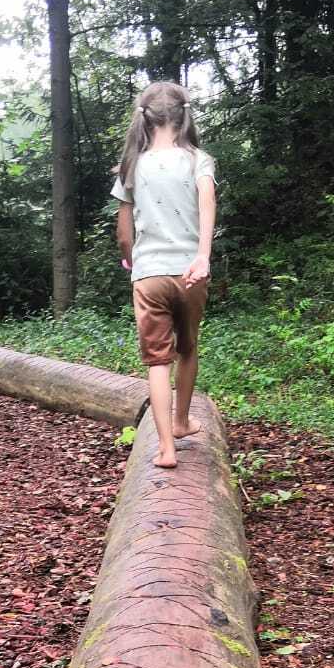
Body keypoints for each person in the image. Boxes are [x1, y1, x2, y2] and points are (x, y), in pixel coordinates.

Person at [111, 81, 216, 469]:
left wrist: (130, 260)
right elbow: (207, 203)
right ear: (184, 115)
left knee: (157, 361)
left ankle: (166, 448)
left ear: (146, 118)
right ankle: (183, 421)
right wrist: (202, 255)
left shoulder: (131, 165)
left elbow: (124, 234)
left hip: (149, 274)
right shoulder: (198, 160)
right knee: (188, 348)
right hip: (190, 272)